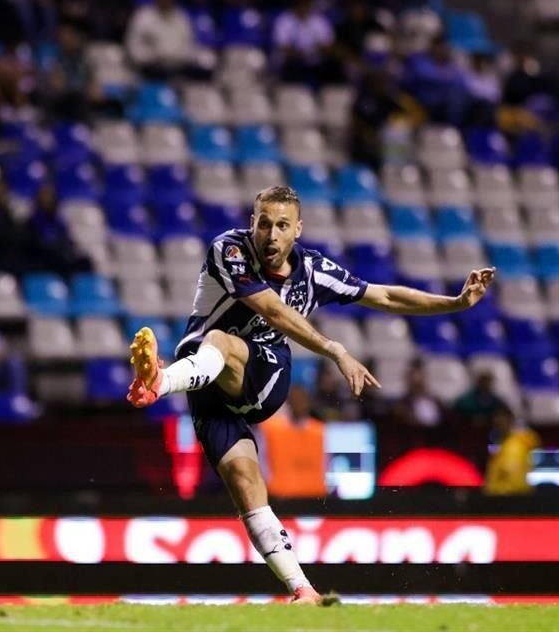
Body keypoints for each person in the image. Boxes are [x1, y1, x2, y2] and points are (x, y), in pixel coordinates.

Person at [126, 185, 495, 604]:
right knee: (245, 484)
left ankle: (158, 383)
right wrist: (335, 348)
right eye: (263, 223)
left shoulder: (314, 271)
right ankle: (302, 588)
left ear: (297, 230)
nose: (271, 234)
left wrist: (456, 302)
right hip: (206, 383)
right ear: (252, 223)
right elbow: (272, 308)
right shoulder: (228, 250)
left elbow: (384, 294)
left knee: (221, 340)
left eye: (282, 225)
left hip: (265, 375)